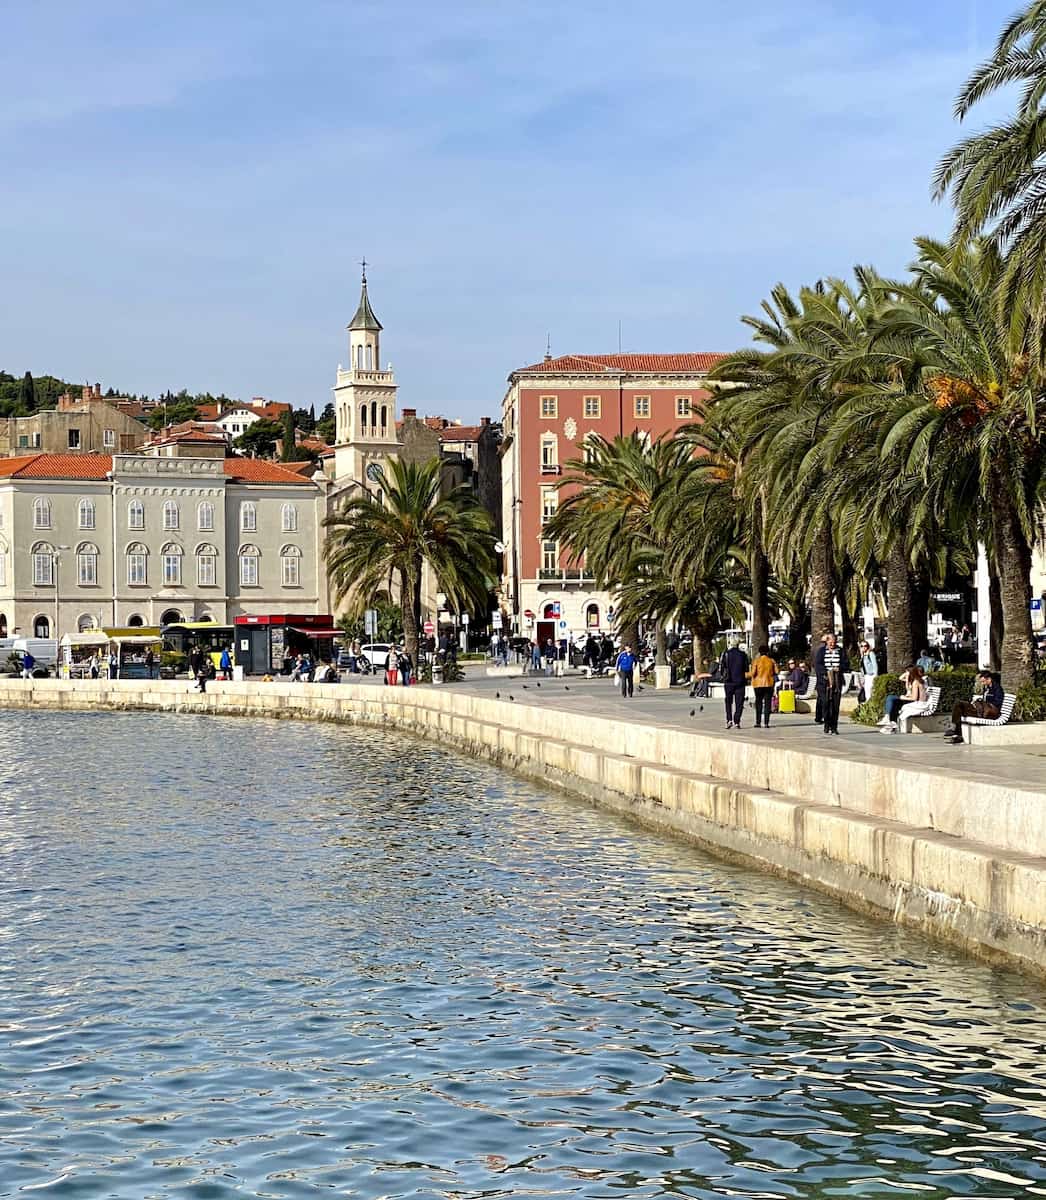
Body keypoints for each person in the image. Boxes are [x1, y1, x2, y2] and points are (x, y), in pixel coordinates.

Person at [944, 670, 1003, 744]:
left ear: (989, 679)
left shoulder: (997, 688)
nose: (982, 683)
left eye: (983, 681)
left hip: (989, 714)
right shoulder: (987, 688)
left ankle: (956, 733)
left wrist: (985, 703)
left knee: (960, 706)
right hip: (981, 711)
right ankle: (956, 733)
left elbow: (998, 702)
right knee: (959, 705)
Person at [816, 632, 849, 735]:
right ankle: (826, 725)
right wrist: (825, 673)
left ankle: (834, 727)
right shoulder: (821, 651)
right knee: (825, 704)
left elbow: (846, 664)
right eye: (830, 642)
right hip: (824, 682)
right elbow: (817, 665)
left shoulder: (840, 651)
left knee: (835, 705)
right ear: (827, 642)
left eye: (834, 642)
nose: (832, 644)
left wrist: (839, 668)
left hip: (837, 681)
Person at [879, 664, 928, 734]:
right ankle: (891, 723)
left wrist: (903, 697)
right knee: (894, 702)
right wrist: (907, 678)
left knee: (893, 700)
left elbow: (914, 698)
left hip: (918, 704)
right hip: (921, 703)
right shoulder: (920, 681)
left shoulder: (916, 682)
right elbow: (901, 678)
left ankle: (890, 722)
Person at [721, 638, 750, 729]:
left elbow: (722, 668)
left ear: (730, 644)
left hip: (729, 682)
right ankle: (737, 721)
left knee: (728, 702)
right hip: (740, 682)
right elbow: (746, 669)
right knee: (739, 702)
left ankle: (729, 719)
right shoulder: (743, 655)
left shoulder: (726, 654)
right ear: (738, 645)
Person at [750, 644, 778, 729]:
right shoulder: (771, 661)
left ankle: (758, 722)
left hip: (758, 684)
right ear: (767, 652)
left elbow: (753, 673)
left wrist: (744, 674)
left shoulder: (756, 661)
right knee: (767, 703)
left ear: (759, 652)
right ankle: (766, 722)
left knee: (758, 703)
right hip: (769, 684)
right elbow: (777, 671)